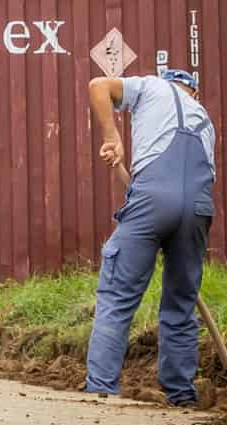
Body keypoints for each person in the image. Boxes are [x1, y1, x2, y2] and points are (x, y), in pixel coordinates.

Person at [82, 67, 214, 405]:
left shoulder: (150, 87)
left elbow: (98, 86)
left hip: (153, 197)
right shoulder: (205, 120)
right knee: (181, 304)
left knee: (117, 294)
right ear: (193, 93)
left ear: (169, 83)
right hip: (198, 207)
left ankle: (100, 389)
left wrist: (112, 138)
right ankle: (181, 394)